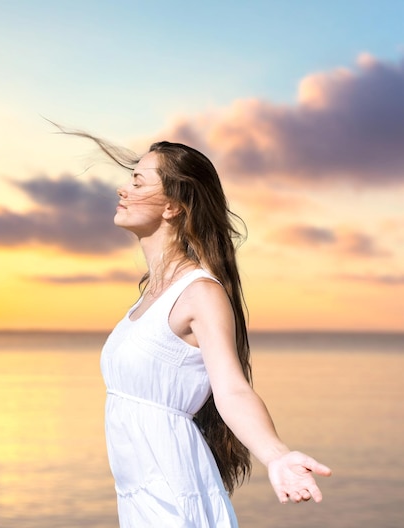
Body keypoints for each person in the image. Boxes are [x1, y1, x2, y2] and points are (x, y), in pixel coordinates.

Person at [77, 135, 332, 527]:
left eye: (139, 181)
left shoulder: (200, 293)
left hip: (173, 497)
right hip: (140, 495)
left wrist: (276, 455)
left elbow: (231, 389)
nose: (123, 188)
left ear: (174, 206)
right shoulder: (149, 297)